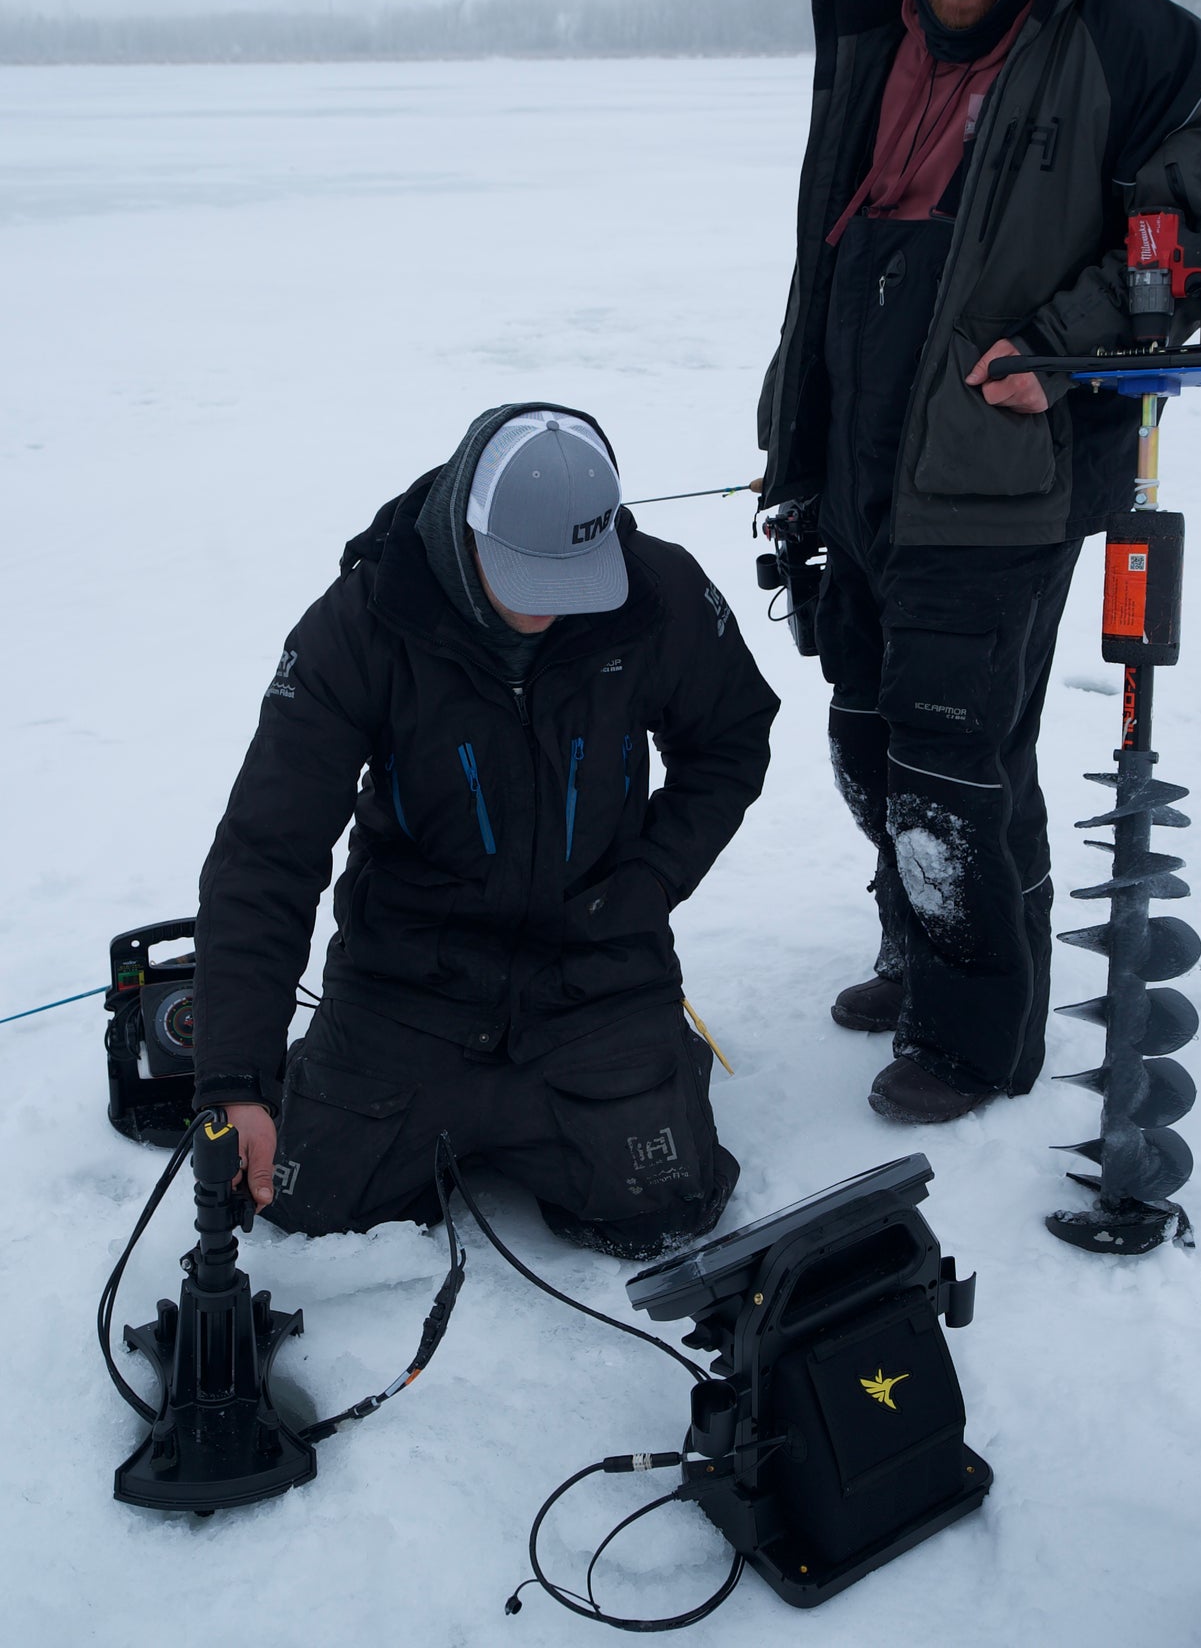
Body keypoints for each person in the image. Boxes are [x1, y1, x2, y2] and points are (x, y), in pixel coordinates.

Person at [756, 0, 1201, 1124]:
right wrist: (795, 439)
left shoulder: (1140, 46)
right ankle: (924, 948)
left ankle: (979, 1037)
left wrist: (1069, 340)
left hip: (1001, 468)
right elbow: (833, 256)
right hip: (861, 452)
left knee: (948, 761)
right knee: (868, 738)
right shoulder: (873, 27)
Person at [192, 403, 778, 1256]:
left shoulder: (659, 592)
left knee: (667, 1210)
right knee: (300, 1205)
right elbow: (266, 850)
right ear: (466, 532)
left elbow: (730, 739)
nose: (548, 612)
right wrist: (235, 1076)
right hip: (408, 981)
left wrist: (651, 877)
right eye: (526, 580)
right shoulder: (361, 623)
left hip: (595, 968)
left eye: (570, 583)